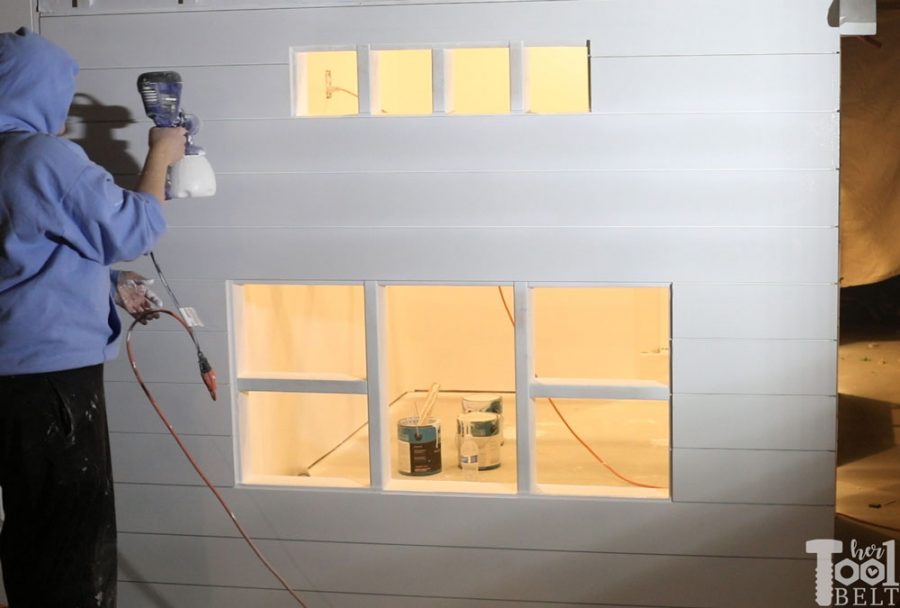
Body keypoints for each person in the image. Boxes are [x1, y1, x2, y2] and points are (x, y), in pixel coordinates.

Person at [0, 28, 186, 607]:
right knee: (71, 541)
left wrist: (105, 286)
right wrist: (161, 153)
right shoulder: (39, 154)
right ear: (35, 88)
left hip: (13, 378)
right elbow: (131, 230)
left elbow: (22, 253)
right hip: (52, 385)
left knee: (31, 526)